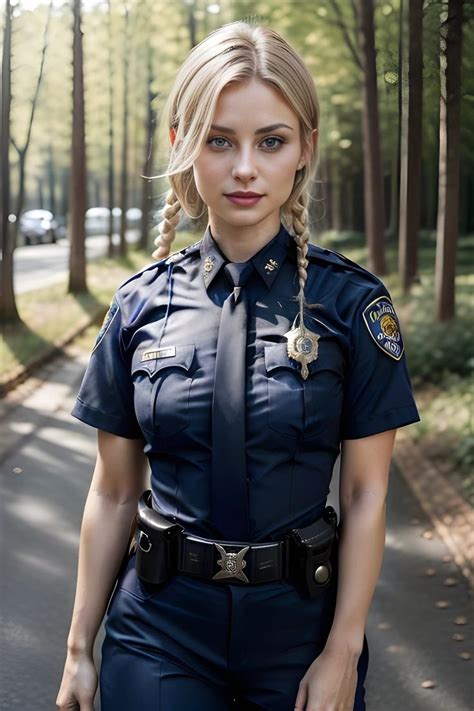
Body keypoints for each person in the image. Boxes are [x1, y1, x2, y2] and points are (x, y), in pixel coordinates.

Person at [56, 20, 421, 711]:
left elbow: (368, 494)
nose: (245, 167)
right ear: (183, 146)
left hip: (300, 632)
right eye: (220, 140)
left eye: (271, 141)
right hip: (159, 630)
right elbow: (111, 493)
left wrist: (343, 649)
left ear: (304, 149)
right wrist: (79, 646)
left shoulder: (353, 305)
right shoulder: (137, 306)